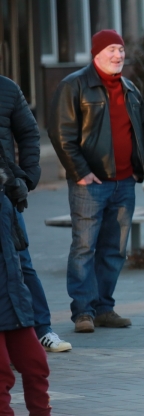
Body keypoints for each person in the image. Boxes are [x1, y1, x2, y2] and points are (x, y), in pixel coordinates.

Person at [48, 29, 144, 333]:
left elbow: (142, 132)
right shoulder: (74, 85)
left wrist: (138, 169)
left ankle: (104, 307)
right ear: (96, 53)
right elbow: (61, 134)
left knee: (114, 249)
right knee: (84, 247)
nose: (118, 55)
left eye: (121, 50)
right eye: (111, 50)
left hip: (124, 184)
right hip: (90, 185)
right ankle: (83, 311)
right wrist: (80, 171)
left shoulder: (130, 88)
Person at [0, 160, 84, 416]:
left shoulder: (4, 181)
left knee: (35, 361)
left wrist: (19, 181)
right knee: (1, 370)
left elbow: (16, 248)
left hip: (11, 291)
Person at [0, 75, 71, 352]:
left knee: (21, 263)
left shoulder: (7, 88)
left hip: (4, 195)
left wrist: (28, 178)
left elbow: (29, 133)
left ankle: (42, 329)